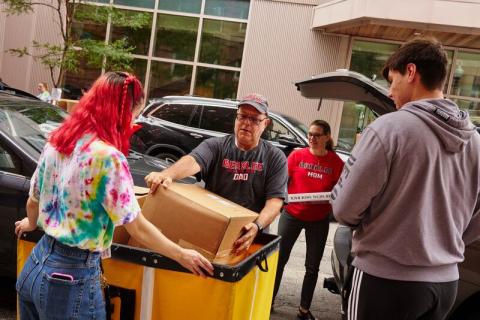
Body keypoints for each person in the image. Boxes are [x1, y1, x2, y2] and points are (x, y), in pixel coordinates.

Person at [15, 72, 213, 320]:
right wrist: (182, 255)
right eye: (134, 115)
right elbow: (137, 228)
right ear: (121, 113)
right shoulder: (108, 159)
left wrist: (31, 224)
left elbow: (33, 200)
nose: (134, 123)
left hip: (35, 266)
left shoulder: (58, 142)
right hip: (70, 280)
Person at [331, 38, 480, 320]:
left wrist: (354, 161)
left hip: (386, 281)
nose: (390, 91)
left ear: (411, 72)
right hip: (445, 283)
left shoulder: (388, 129)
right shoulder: (474, 140)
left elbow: (344, 209)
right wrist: (449, 240)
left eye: (392, 80)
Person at [145, 93, 288, 253]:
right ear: (236, 118)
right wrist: (167, 174)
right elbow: (193, 161)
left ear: (265, 123)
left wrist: (257, 226)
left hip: (251, 236)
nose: (246, 123)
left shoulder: (274, 157)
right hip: (213, 231)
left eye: (254, 119)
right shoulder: (215, 146)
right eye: (242, 116)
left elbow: (275, 202)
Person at [272, 120, 344, 320]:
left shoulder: (336, 163)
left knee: (312, 268)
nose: (311, 138)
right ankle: (267, 301)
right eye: (310, 134)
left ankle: (304, 310)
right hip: (291, 215)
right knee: (279, 261)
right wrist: (280, 200)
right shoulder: (297, 156)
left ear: (327, 137)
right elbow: (281, 182)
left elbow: (342, 191)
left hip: (318, 220)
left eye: (317, 135)